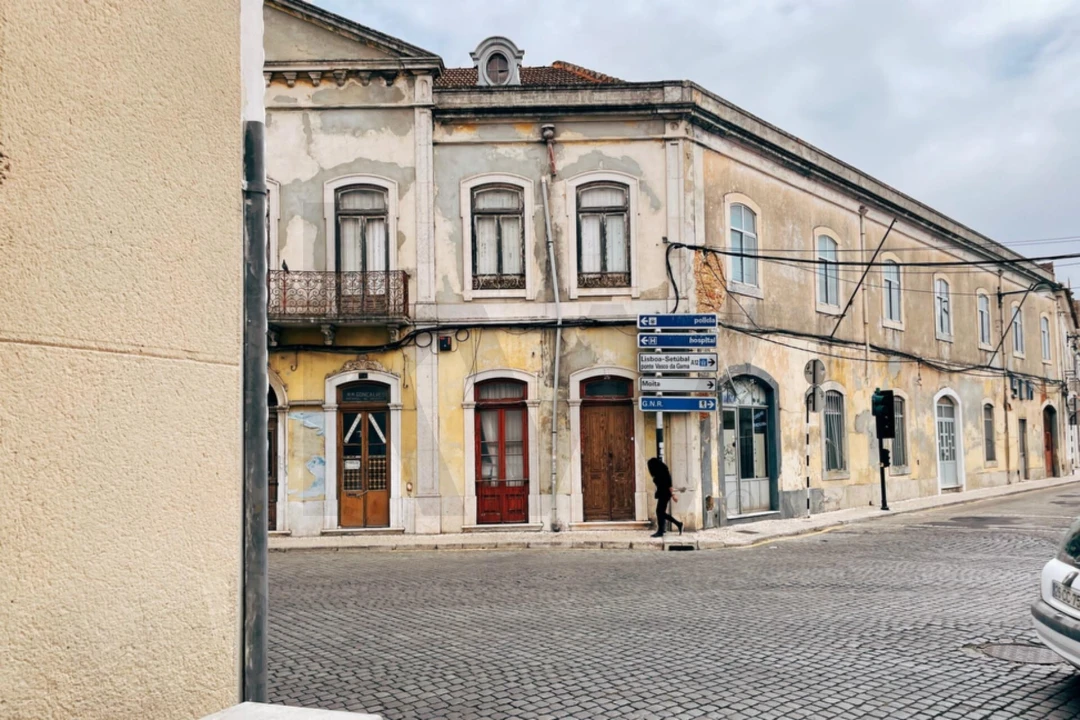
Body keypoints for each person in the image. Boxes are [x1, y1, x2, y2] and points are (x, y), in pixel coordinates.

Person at [648, 457, 683, 538]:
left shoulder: (664, 471)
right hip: (662, 493)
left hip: (665, 494)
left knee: (660, 512)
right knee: (660, 512)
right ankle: (664, 528)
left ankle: (663, 530)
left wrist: (673, 495)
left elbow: (669, 484)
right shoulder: (659, 472)